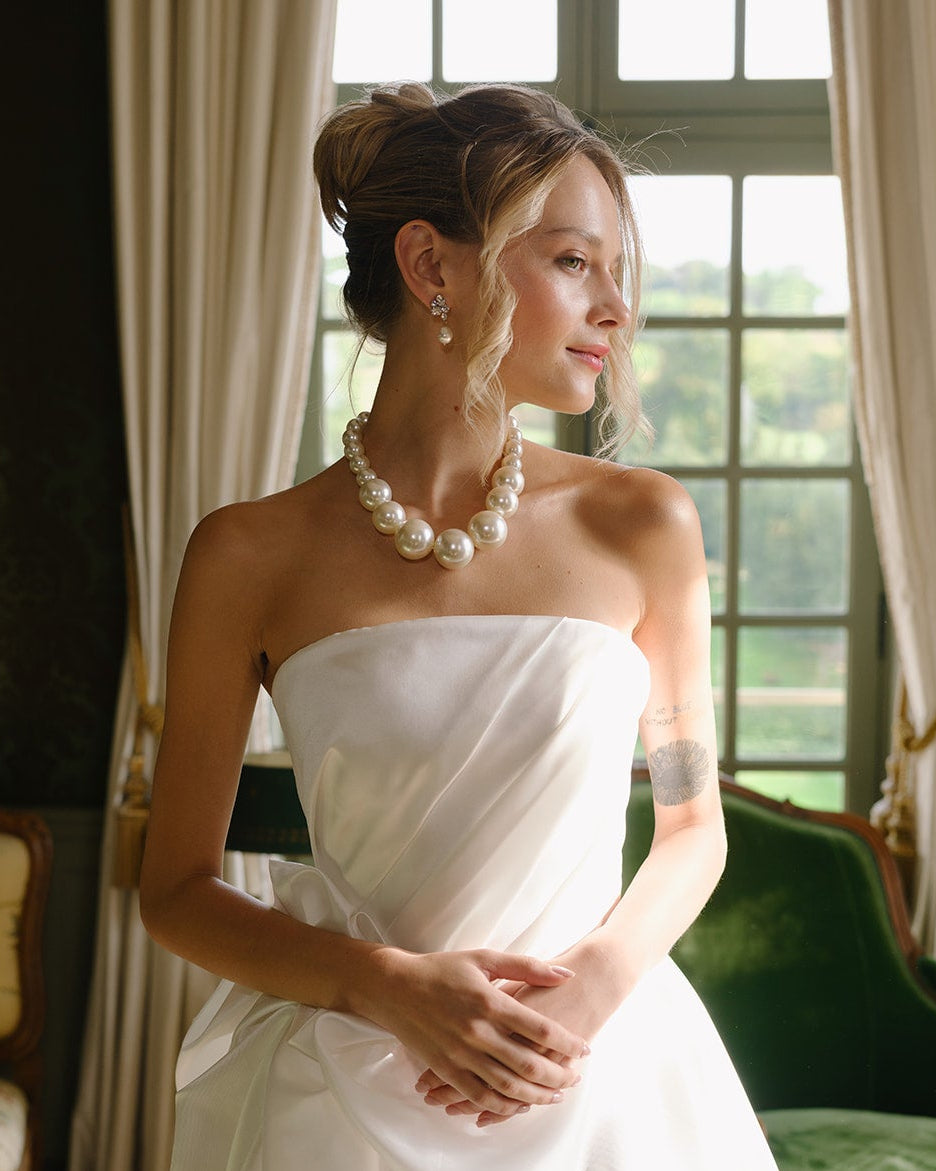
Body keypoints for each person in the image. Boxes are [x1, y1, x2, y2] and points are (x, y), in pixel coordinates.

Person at [140, 82, 778, 1170]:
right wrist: (384, 985)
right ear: (431, 265)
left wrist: (591, 990)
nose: (617, 310)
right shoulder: (246, 555)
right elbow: (176, 891)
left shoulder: (643, 524)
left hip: (596, 1082)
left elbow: (692, 828)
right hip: (343, 1096)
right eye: (574, 262)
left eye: (616, 271)